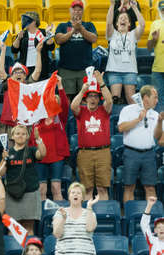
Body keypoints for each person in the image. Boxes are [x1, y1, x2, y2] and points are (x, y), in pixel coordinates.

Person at [52, 182, 100, 255]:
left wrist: (89, 207)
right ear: (69, 196)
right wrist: (64, 218)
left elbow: (89, 228)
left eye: (79, 193)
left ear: (83, 197)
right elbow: (57, 234)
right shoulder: (60, 212)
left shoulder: (90, 213)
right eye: (73, 192)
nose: (76, 195)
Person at [71, 71, 113, 201]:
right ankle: (86, 219)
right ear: (86, 98)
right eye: (90, 96)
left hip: (103, 152)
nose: (93, 99)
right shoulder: (81, 111)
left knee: (102, 188)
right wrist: (83, 89)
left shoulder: (104, 110)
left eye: (95, 96)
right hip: (85, 153)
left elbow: (110, 100)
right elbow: (73, 106)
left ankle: (102, 216)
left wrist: (101, 83)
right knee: (87, 188)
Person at [0, 125, 46, 235]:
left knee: (29, 227)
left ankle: (28, 251)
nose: (20, 136)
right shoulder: (8, 153)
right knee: (13, 228)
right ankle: (15, 251)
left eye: (23, 134)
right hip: (12, 194)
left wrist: (38, 139)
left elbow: (42, 154)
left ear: (27, 136)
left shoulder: (32, 150)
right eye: (18, 133)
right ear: (12, 136)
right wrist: (4, 158)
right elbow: (0, 173)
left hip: (30, 192)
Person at [118, 85, 162, 202]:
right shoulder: (128, 110)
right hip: (131, 153)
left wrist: (159, 122)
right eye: (155, 97)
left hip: (149, 154)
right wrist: (137, 120)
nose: (157, 100)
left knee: (150, 187)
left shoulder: (156, 115)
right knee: (129, 186)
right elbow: (121, 128)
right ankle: (128, 218)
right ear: (146, 97)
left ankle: (151, 218)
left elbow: (159, 139)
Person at [0, 39, 43, 148]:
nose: (18, 73)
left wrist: (38, 52)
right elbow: (0, 70)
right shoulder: (8, 83)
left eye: (21, 72)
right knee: (8, 153)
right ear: (11, 76)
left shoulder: (28, 85)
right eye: (15, 72)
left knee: (24, 153)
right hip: (8, 125)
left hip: (24, 124)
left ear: (25, 76)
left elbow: (37, 71)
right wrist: (3, 50)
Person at [29, 76, 69, 201]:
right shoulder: (35, 119)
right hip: (40, 156)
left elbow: (65, 104)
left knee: (56, 187)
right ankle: (43, 218)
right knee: (41, 189)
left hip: (57, 156)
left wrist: (60, 86)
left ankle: (61, 218)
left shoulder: (59, 117)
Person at [55, 0, 97, 100]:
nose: (77, 12)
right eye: (74, 9)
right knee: (66, 98)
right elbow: (58, 40)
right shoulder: (62, 26)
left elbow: (93, 38)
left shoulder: (89, 25)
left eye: (79, 10)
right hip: (66, 69)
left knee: (85, 98)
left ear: (82, 12)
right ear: (70, 11)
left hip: (85, 69)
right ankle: (67, 116)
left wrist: (81, 28)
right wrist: (74, 30)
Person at [106, 0, 145, 105]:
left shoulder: (133, 35)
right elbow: (109, 22)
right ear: (117, 23)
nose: (123, 19)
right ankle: (116, 121)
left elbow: (142, 24)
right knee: (115, 100)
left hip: (130, 71)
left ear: (129, 24)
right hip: (114, 71)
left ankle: (135, 120)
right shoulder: (112, 34)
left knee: (131, 100)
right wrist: (112, 5)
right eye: (120, 18)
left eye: (126, 18)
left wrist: (135, 8)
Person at [12, 12, 55, 80]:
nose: (24, 22)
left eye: (27, 20)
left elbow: (51, 47)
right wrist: (18, 38)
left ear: (34, 21)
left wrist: (48, 35)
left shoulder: (43, 32)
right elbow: (14, 50)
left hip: (41, 68)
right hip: (25, 68)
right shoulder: (23, 33)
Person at [148, 0, 164, 112]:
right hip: (158, 68)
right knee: (157, 99)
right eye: (162, 10)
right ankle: (160, 124)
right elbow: (149, 47)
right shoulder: (155, 24)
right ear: (159, 11)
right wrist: (153, 39)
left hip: (157, 69)